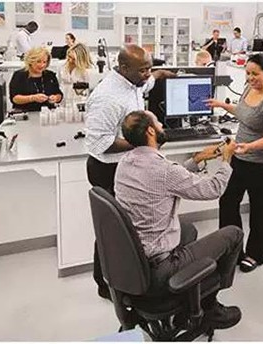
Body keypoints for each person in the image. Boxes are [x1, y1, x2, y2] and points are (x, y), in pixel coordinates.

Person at [115, 110, 243, 330]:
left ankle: (193, 296)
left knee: (188, 230)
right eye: (158, 123)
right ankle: (209, 307)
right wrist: (226, 159)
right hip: (158, 271)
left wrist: (196, 159)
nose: (162, 126)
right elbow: (213, 189)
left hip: (133, 261)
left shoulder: (125, 162)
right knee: (233, 234)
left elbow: (162, 180)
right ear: (150, 131)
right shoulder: (165, 169)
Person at [84, 44, 175, 300]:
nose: (148, 73)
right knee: (114, 229)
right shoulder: (108, 97)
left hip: (126, 165)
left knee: (131, 227)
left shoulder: (132, 82)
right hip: (108, 169)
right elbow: (100, 142)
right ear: (124, 68)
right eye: (143, 69)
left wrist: (159, 74)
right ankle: (105, 283)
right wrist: (146, 141)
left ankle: (129, 278)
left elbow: (144, 85)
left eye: (149, 68)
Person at [204, 54, 263, 273]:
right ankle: (231, 248)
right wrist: (221, 104)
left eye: (255, 74)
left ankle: (256, 254)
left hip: (262, 163)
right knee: (228, 201)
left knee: (259, 207)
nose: (250, 78)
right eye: (247, 73)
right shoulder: (249, 89)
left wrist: (250, 147)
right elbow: (243, 113)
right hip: (240, 157)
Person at [9, 47, 63, 112]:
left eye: (44, 62)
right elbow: (15, 99)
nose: (42, 65)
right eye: (38, 61)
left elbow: (59, 94)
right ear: (31, 61)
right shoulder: (19, 75)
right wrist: (33, 98)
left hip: (47, 114)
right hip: (25, 113)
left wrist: (56, 98)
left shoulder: (50, 75)